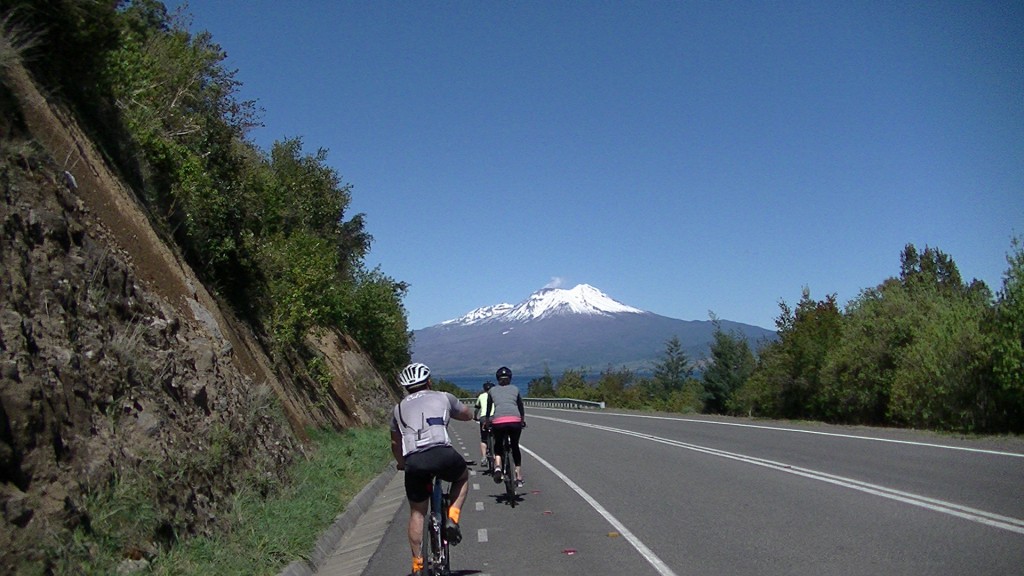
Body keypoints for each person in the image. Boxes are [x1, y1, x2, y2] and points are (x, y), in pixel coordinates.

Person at [390, 362, 474, 576]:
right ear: (428, 381)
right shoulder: (444, 397)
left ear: (406, 388)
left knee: (418, 512)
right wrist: (465, 415)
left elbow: (395, 443)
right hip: (442, 454)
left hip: (415, 461)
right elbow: (466, 414)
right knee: (462, 476)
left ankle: (418, 564)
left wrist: (401, 463)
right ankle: (453, 518)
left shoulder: (398, 409)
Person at [484, 366, 526, 487]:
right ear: (510, 378)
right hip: (515, 421)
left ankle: (497, 466)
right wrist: (522, 420)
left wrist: (487, 422)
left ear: (497, 379)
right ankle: (518, 475)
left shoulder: (492, 391)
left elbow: (488, 409)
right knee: (514, 445)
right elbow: (520, 407)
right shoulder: (515, 389)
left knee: (498, 445)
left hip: (498, 421)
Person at [474, 381, 496, 472]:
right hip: (495, 418)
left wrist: (475, 417)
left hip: (484, 418)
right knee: (497, 436)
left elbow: (476, 409)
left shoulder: (481, 396)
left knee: (484, 439)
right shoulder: (495, 396)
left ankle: (484, 457)